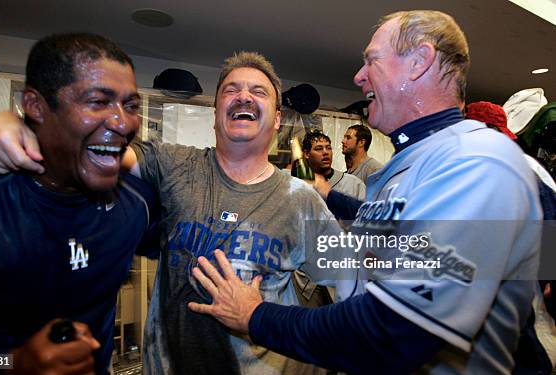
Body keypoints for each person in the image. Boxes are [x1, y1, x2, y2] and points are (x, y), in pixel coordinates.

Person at [187, 10, 544, 374]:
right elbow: (396, 235)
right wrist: (322, 202)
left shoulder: (475, 162)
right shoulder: (413, 164)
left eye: (371, 60)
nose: (358, 76)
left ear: (419, 62)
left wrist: (256, 316)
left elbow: (390, 331)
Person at [0, 52, 343, 374]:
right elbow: (95, 148)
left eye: (258, 91)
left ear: (277, 119)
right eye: (230, 89)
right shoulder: (173, 164)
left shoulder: (301, 200)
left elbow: (355, 289)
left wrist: (266, 320)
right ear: (216, 112)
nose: (243, 95)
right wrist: (13, 126)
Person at [0, 33, 159, 374]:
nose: (123, 122)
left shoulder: (134, 205)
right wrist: (11, 365)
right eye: (98, 101)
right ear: (35, 106)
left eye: (130, 106)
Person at [301, 130, 365, 199]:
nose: (326, 152)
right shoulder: (298, 183)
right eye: (319, 149)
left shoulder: (353, 184)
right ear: (306, 154)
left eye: (329, 148)